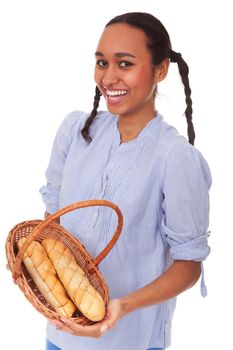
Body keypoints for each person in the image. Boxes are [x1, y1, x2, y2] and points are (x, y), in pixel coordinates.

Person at [40, 12, 211, 350]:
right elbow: (53, 222)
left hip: (131, 339)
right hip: (60, 335)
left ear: (160, 70)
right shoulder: (76, 132)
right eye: (102, 62)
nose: (109, 77)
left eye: (125, 63)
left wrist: (122, 306)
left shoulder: (174, 157)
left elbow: (188, 266)